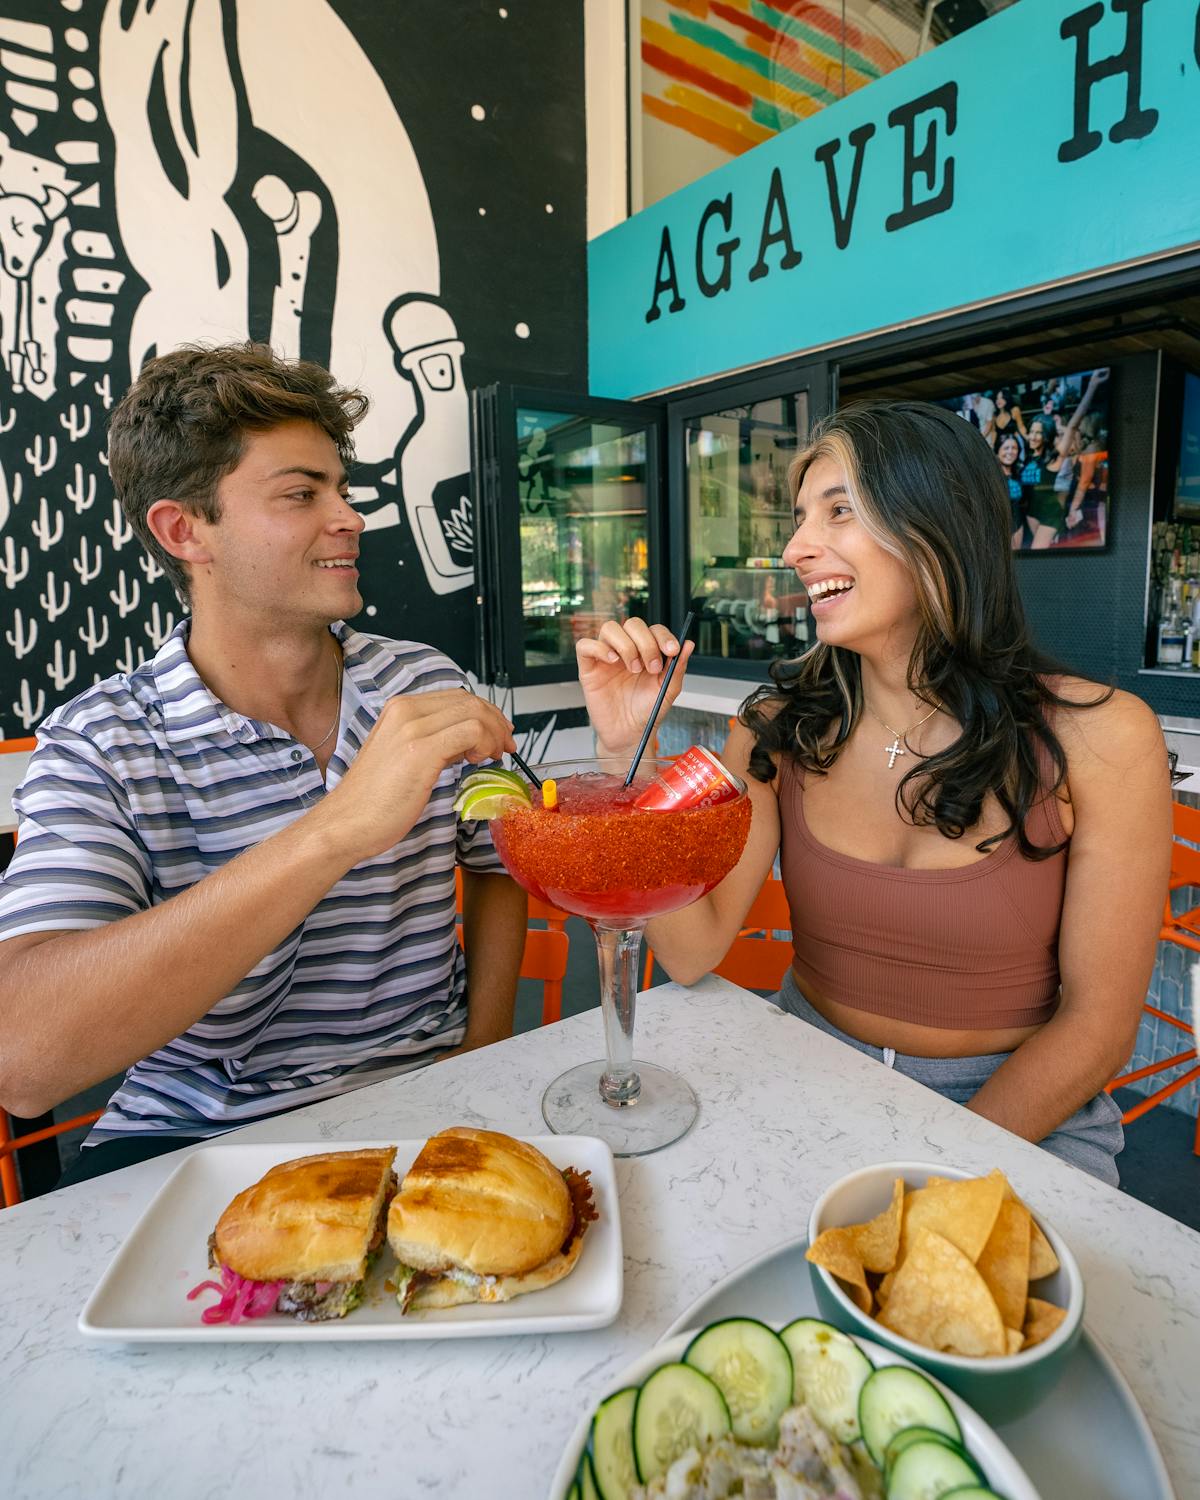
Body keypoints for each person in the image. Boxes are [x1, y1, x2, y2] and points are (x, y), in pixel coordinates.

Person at [578, 401, 1170, 1186]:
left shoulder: (1101, 737)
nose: (794, 549)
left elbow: (1098, 1028)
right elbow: (692, 950)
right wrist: (634, 758)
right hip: (808, 1072)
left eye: (840, 511)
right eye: (797, 519)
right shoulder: (776, 728)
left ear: (938, 526)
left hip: (1020, 1116)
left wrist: (927, 1187)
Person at [0, 343, 528, 1182]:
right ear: (184, 531)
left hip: (429, 1091)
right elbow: (24, 1062)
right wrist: (336, 829)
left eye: (342, 490)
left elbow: (502, 861)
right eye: (300, 494)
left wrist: (485, 1047)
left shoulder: (424, 681)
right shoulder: (101, 745)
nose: (349, 517)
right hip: (196, 1139)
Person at [995, 432, 1029, 549]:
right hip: (997, 530)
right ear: (997, 450)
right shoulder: (991, 476)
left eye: (1014, 448)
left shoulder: (1020, 474)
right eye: (1006, 448)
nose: (1010, 452)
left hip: (1017, 527)